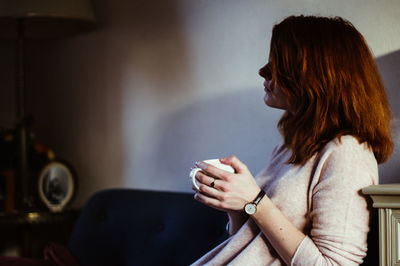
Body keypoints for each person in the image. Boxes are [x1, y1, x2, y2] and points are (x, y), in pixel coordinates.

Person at [190, 15, 393, 265]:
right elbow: (250, 243)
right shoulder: (289, 148)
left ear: (316, 76)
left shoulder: (347, 154)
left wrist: (255, 201)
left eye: (278, 63)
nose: (263, 71)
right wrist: (236, 206)